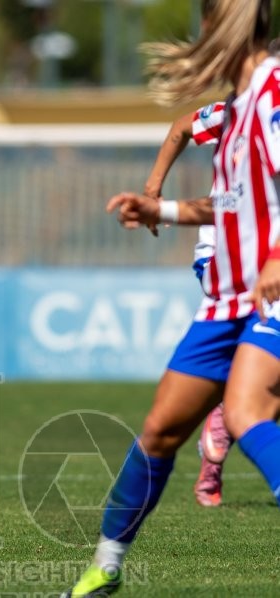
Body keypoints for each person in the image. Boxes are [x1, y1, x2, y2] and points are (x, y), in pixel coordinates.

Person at [64, 1, 280, 595]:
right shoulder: (236, 108)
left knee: (247, 413)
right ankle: (105, 568)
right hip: (228, 300)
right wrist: (158, 207)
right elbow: (233, 206)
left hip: (270, 292)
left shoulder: (273, 93)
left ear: (220, 25)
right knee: (160, 429)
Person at [143, 101, 234, 508]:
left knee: (256, 379)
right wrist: (154, 192)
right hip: (229, 260)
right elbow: (182, 127)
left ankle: (224, 420)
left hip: (264, 258)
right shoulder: (245, 107)